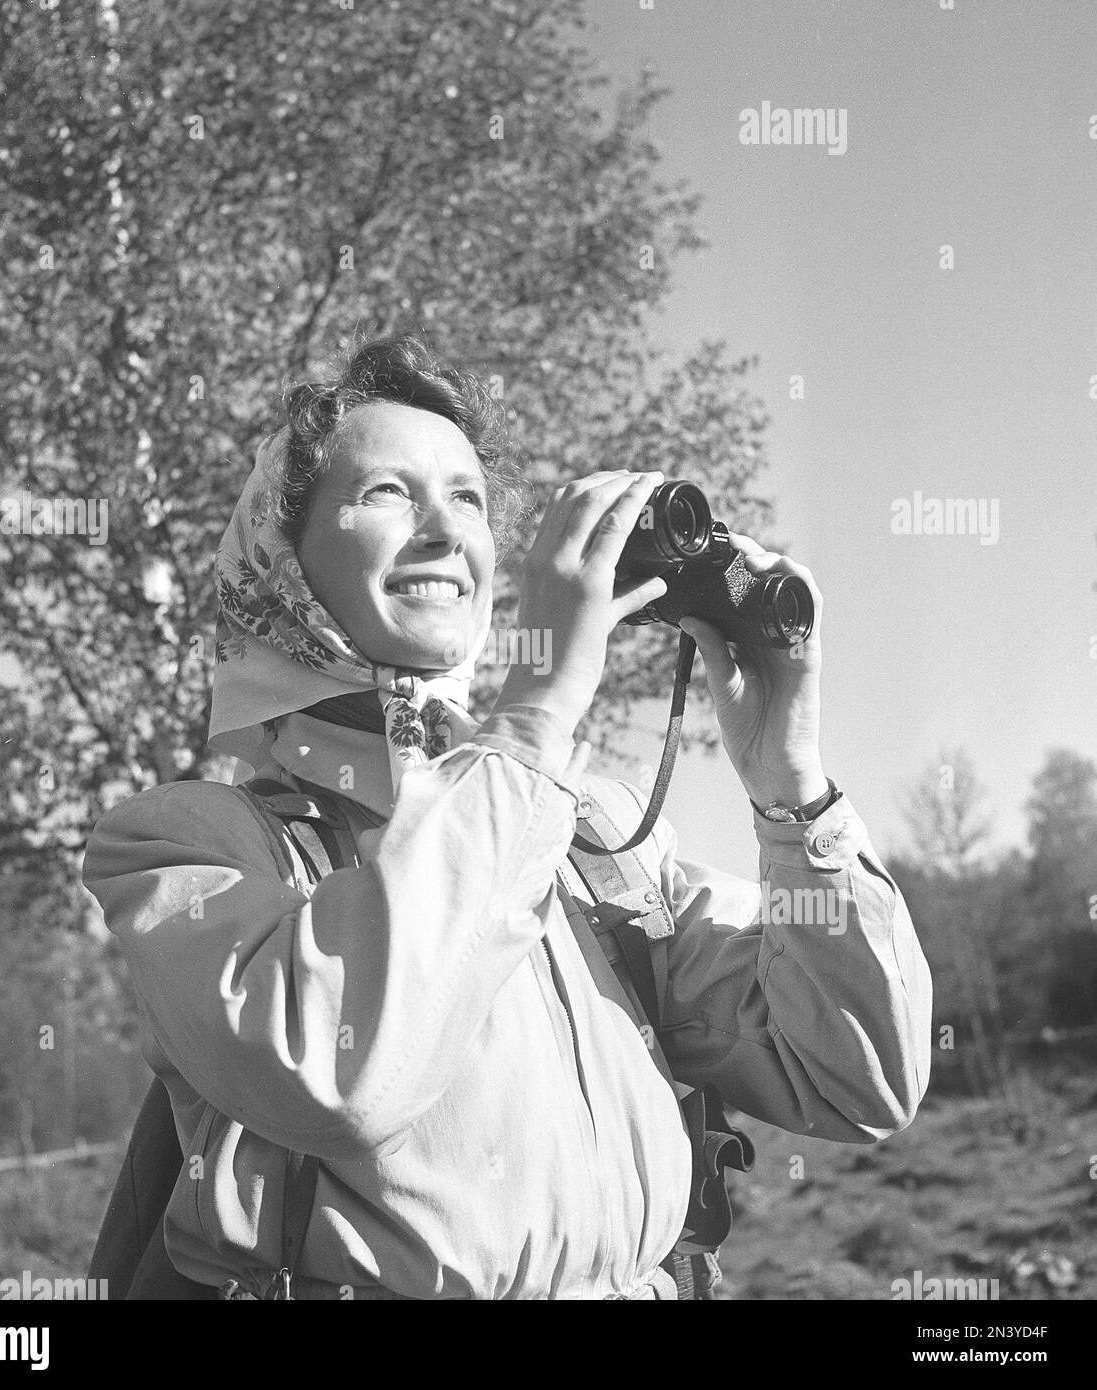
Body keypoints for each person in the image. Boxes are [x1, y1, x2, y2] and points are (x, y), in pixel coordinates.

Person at [81, 334, 932, 1301]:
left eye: (469, 499)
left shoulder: (590, 836)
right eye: (386, 493)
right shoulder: (185, 844)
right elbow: (340, 1077)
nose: (444, 531)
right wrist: (530, 720)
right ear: (282, 558)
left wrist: (792, 790)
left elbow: (854, 1081)